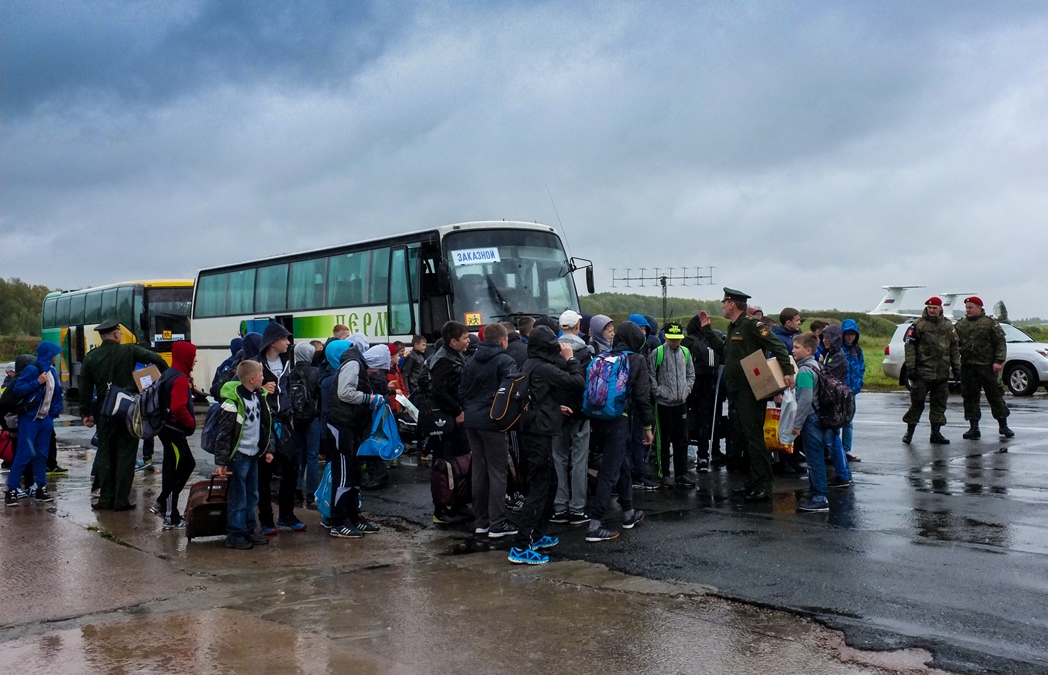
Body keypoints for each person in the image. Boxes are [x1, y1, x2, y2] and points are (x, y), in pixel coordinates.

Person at [697, 288, 795, 502]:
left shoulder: (751, 324)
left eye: (724, 302)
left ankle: (764, 485)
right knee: (744, 437)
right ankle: (754, 480)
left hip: (751, 389)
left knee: (754, 437)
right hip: (737, 389)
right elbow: (725, 352)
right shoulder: (733, 327)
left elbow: (777, 345)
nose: (722, 306)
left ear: (732, 304)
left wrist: (787, 371)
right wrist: (707, 331)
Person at [509, 325, 585, 564]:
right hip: (538, 434)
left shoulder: (530, 364)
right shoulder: (544, 367)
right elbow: (577, 382)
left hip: (533, 429)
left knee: (550, 483)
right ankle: (521, 546)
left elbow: (538, 395)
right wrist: (571, 359)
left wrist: (554, 408)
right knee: (540, 488)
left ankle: (537, 533)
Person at [80, 318, 169, 511]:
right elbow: (157, 359)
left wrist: (86, 413)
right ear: (116, 334)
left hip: (104, 411)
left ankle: (105, 499)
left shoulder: (91, 357)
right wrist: (166, 376)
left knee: (105, 454)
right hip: (128, 410)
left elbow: (84, 388)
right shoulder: (129, 350)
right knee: (126, 454)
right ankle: (121, 500)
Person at [586, 321, 653, 543]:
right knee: (610, 472)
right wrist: (648, 427)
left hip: (597, 419)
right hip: (620, 420)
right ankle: (595, 525)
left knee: (621, 464)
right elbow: (643, 397)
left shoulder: (604, 357)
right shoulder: (637, 359)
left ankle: (628, 512)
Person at [460, 323, 519, 539]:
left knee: (479, 470)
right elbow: (510, 391)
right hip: (492, 421)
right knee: (497, 471)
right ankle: (497, 523)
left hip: (472, 420)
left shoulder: (471, 360)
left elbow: (463, 390)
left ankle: (481, 522)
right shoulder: (505, 361)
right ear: (503, 340)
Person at [247, 324, 305, 533]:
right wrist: (259, 389)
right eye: (285, 339)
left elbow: (287, 390)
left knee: (292, 468)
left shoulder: (287, 362)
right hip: (263, 424)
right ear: (273, 342)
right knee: (265, 473)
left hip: (283, 421)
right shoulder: (255, 363)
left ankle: (287, 515)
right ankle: (266, 520)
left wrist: (290, 414)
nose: (289, 342)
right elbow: (236, 389)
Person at [324, 339, 383, 538]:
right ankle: (339, 521)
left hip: (350, 425)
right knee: (343, 474)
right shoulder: (353, 364)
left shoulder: (353, 363)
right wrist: (369, 399)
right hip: (342, 425)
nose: (379, 373)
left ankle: (352, 516)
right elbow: (344, 393)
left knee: (353, 472)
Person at [213, 360, 272, 550]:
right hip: (239, 455)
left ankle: (249, 529)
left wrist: (268, 448)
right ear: (253, 379)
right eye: (262, 375)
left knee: (252, 494)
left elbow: (265, 425)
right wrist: (221, 462)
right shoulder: (232, 404)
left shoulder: (258, 396)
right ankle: (235, 534)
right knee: (238, 496)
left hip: (253, 453)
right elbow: (224, 434)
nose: (264, 378)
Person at [147, 341, 198, 528]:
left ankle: (166, 508)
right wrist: (191, 423)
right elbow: (178, 406)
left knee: (172, 467)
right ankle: (168, 511)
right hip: (174, 432)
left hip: (165, 429)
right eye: (193, 356)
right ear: (186, 357)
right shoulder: (180, 379)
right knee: (185, 465)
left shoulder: (169, 374)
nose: (195, 360)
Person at [4, 341, 62, 506]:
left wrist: (53, 413)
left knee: (42, 455)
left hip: (45, 420)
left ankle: (41, 488)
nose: (57, 357)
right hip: (29, 419)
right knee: (24, 454)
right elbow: (18, 390)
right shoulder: (32, 370)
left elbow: (57, 393)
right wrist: (37, 382)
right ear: (49, 354)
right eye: (55, 354)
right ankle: (12, 490)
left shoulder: (52, 371)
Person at [550, 310, 593, 525]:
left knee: (558, 459)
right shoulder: (585, 352)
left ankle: (560, 507)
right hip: (579, 413)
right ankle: (577, 508)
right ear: (578, 326)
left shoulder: (550, 351)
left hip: (556, 413)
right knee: (579, 460)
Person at [428, 321, 471, 523]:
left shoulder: (455, 355)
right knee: (444, 464)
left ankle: (458, 502)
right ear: (453, 341)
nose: (468, 340)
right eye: (465, 338)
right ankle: (441, 508)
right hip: (448, 421)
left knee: (459, 463)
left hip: (457, 419)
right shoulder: (443, 360)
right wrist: (457, 411)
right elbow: (438, 391)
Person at [902, 297, 960, 445]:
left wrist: (957, 367)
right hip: (923, 372)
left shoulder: (948, 326)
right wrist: (910, 367)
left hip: (941, 373)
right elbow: (910, 347)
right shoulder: (918, 325)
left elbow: (954, 347)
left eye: (934, 307)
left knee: (939, 404)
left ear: (940, 308)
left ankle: (936, 433)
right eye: (929, 308)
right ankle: (910, 431)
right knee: (917, 403)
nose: (932, 310)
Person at [954, 296, 1013, 439]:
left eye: (971, 307)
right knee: (970, 397)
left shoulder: (990, 324)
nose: (968, 310)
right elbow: (954, 346)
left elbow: (1000, 343)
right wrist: (954, 363)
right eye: (967, 307)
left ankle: (1003, 425)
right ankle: (973, 427)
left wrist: (998, 361)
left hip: (987, 367)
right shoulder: (960, 325)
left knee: (995, 396)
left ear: (979, 308)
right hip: (968, 367)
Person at [648, 322, 695, 487]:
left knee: (682, 439)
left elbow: (691, 374)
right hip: (663, 404)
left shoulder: (685, 352)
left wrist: (686, 391)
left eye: (678, 339)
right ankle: (664, 473)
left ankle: (681, 473)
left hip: (681, 402)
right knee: (663, 440)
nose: (676, 342)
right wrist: (659, 392)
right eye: (673, 339)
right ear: (666, 337)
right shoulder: (657, 353)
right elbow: (651, 376)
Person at [791, 333, 831, 512]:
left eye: (796, 348)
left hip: (811, 419)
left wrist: (796, 425)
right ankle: (817, 490)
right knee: (817, 458)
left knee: (814, 460)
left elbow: (805, 401)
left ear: (808, 350)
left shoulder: (805, 371)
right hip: (821, 417)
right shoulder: (816, 365)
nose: (793, 351)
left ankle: (820, 497)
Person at [682, 315, 720, 473]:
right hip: (708, 388)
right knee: (704, 420)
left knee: (685, 419)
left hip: (689, 386)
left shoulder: (687, 342)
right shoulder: (711, 342)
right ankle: (703, 457)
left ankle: (684, 454)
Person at [818, 326, 852, 488]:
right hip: (832, 400)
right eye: (824, 337)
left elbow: (827, 376)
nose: (825, 340)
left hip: (834, 402)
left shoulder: (837, 356)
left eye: (829, 337)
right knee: (833, 439)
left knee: (832, 440)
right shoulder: (830, 354)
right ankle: (845, 473)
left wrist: (819, 366)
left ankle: (843, 475)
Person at [290, 342, 322, 509]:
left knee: (299, 455)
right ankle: (311, 493)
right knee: (312, 456)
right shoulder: (316, 372)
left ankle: (296, 490)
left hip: (295, 418)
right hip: (312, 418)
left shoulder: (291, 373)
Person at [840, 319, 865, 461]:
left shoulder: (857, 349)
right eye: (847, 334)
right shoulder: (838, 349)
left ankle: (846, 449)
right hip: (838, 391)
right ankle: (834, 449)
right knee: (836, 421)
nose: (850, 337)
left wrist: (858, 383)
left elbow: (861, 366)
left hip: (852, 391)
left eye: (852, 334)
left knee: (848, 421)